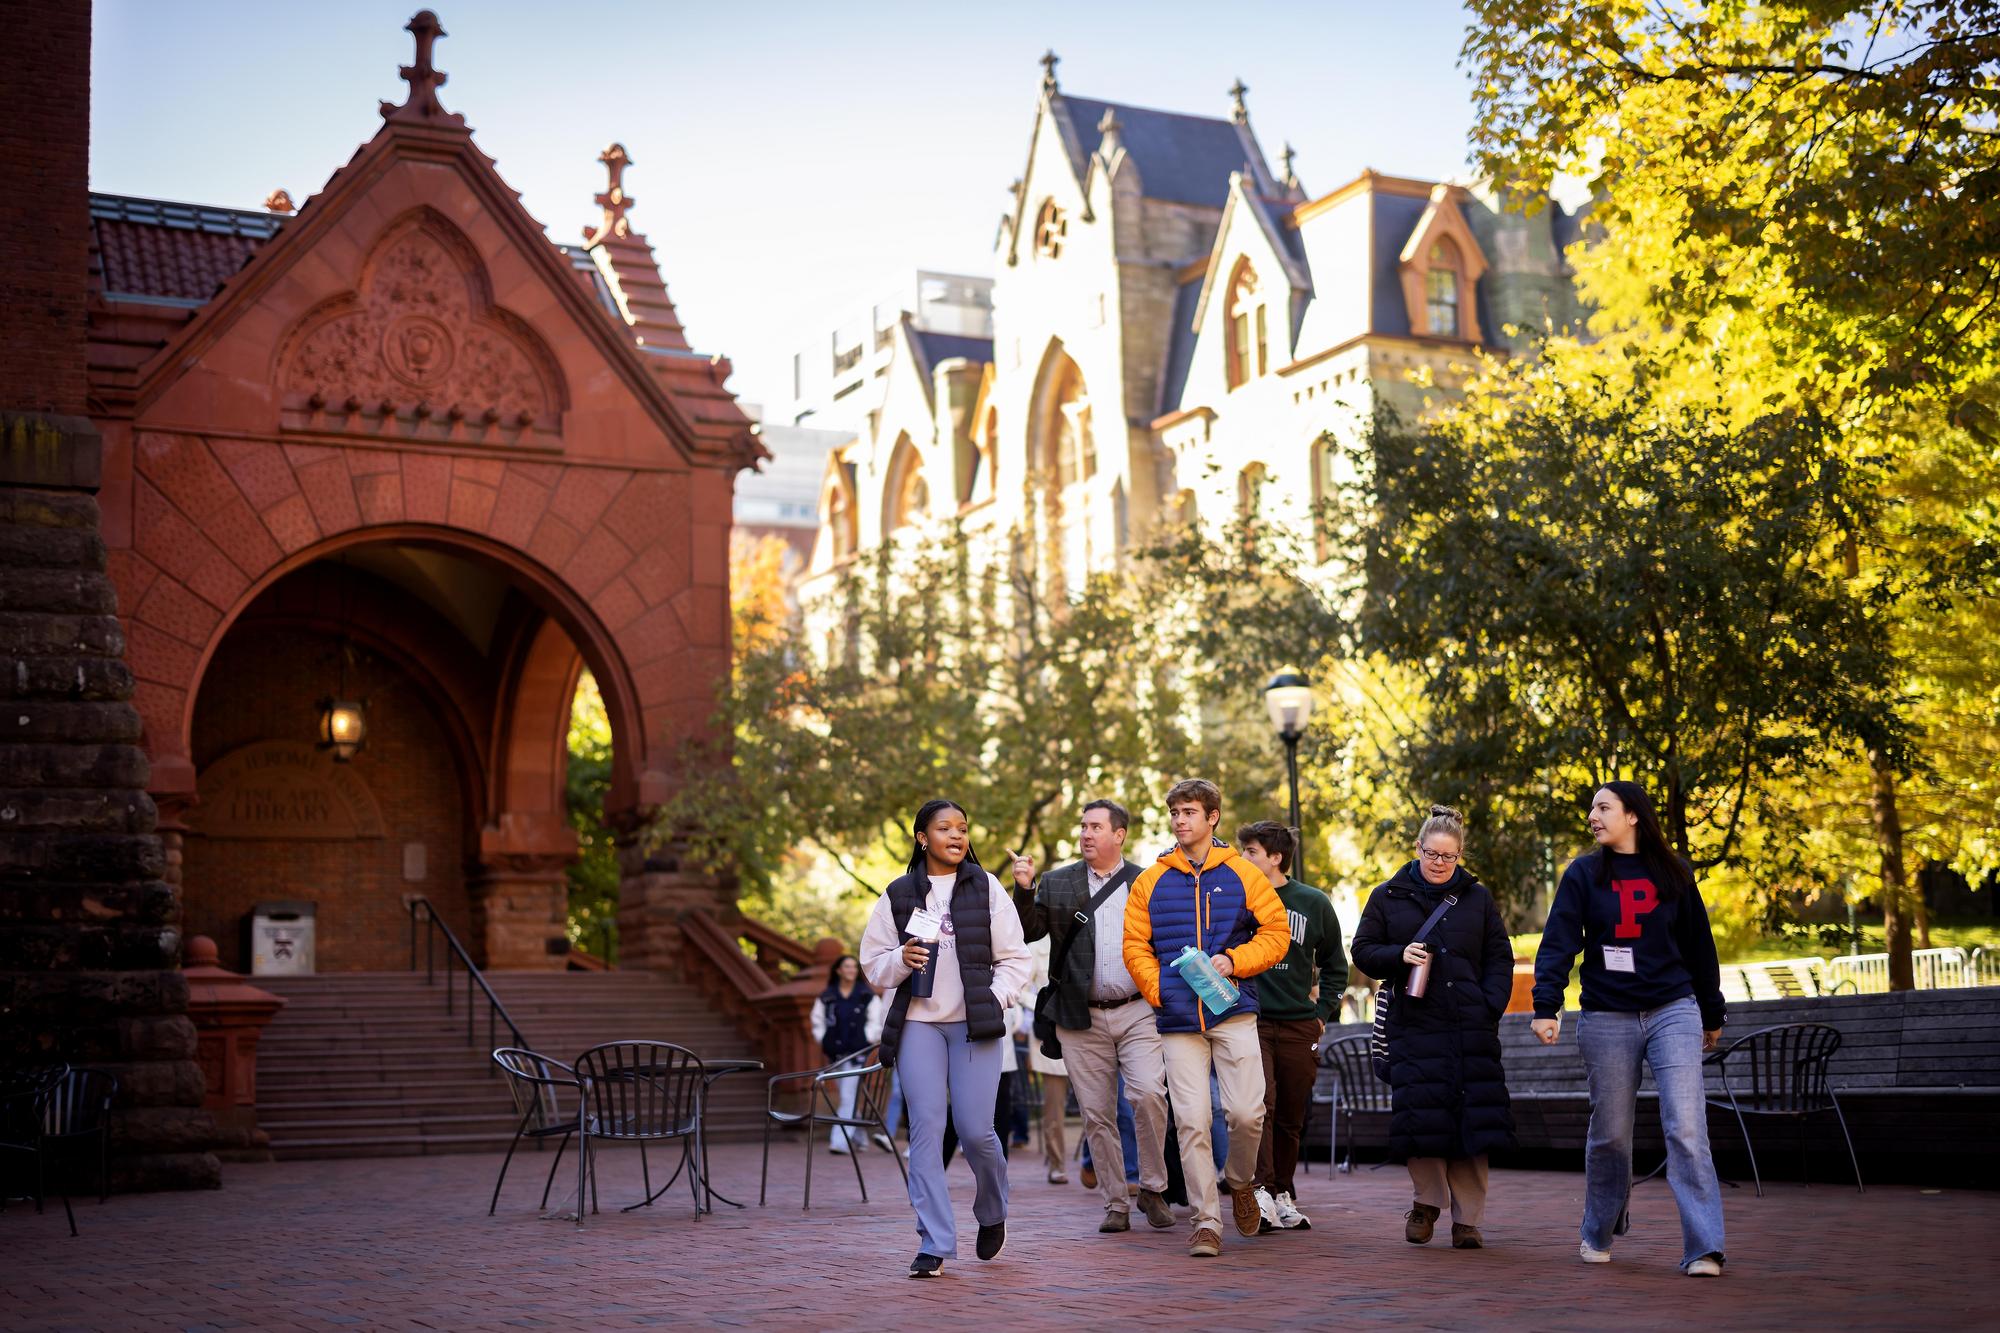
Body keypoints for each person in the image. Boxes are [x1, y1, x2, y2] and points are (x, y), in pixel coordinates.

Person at [1532, 781, 1728, 1277]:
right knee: (1612, 1136)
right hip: (1606, 1016)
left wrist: (1712, 1011)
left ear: (1634, 815)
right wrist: (1546, 1005)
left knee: (1686, 1126)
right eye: (1592, 808)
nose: (1592, 816)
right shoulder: (1582, 874)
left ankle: (1704, 1248)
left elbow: (1700, 946)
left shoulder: (1675, 872)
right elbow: (1558, 943)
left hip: (1672, 1010)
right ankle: (1598, 1230)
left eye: (1603, 807)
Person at [860, 798, 1034, 1279]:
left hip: (974, 1026)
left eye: (962, 827)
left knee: (978, 1131)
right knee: (926, 1132)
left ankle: (993, 1210)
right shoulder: (897, 894)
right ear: (923, 838)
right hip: (919, 1025)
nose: (956, 835)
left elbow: (1017, 958)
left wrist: (996, 999)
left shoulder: (987, 888)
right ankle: (934, 1241)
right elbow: (873, 963)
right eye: (944, 828)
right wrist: (901, 959)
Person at [1122, 778, 1290, 1258]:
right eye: (1175, 812)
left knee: (1245, 1112)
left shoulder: (1241, 872)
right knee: (1192, 1121)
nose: (1180, 820)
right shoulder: (1151, 879)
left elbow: (1276, 932)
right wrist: (1160, 992)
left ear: (1212, 817)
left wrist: (1234, 961)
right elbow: (1135, 945)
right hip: (1178, 1020)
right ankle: (1205, 1222)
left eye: (1189, 811)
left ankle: (1239, 1182)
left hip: (1233, 1009)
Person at [1350, 805, 1515, 1250]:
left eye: (1449, 856)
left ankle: (1468, 1220)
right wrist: (1397, 955)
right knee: (1420, 1119)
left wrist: (1488, 1005)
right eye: (1432, 854)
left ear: (1460, 855)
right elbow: (1363, 951)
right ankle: (1426, 1204)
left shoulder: (1477, 899)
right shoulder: (1388, 895)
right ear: (1417, 849)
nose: (1440, 863)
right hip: (1414, 1024)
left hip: (1469, 1028)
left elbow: (1499, 956)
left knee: (1472, 1122)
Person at [1009, 799, 1175, 1234]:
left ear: (1119, 834)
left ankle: (1154, 1187)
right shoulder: (1057, 881)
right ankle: (1116, 1202)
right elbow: (1029, 932)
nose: (1085, 833)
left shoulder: (1149, 881)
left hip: (1139, 1010)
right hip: (1079, 1016)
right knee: (1096, 1114)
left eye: (1095, 827)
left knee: (1146, 1096)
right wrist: (1024, 889)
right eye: (1083, 826)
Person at [1236, 820, 1347, 1232]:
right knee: (1259, 1107)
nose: (1243, 858)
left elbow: (1337, 964)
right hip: (1252, 1020)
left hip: (1301, 1024)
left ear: (1275, 857)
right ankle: (1260, 1190)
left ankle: (1282, 1191)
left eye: (1251, 851)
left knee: (1291, 1114)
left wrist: (1323, 1014)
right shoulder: (1238, 900)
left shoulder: (1312, 902)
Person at [809, 953, 885, 1154]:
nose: (851, 970)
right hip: (836, 1055)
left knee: (847, 1096)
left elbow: (875, 1022)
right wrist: (824, 1039)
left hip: (856, 1055)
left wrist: (865, 1040)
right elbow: (818, 1021)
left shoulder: (866, 995)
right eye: (847, 966)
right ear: (838, 970)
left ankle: (840, 1142)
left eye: (853, 967)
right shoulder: (828, 996)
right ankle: (860, 1139)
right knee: (847, 1097)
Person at [1020, 944, 1071, 1183]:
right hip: (1051, 1035)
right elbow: (1019, 987)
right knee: (1055, 1108)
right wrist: (1044, 1005)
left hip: (1089, 1027)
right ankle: (1056, 1163)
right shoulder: (1037, 947)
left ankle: (1096, 1164)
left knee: (1103, 1104)